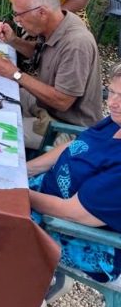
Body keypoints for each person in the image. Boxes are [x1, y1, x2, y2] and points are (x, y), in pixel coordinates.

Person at [26, 62, 121, 294]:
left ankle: (19, 302)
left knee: (2, 225)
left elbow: (73, 213)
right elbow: (76, 145)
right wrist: (25, 169)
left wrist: (20, 192)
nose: (113, 103)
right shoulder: (115, 122)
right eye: (113, 93)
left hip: (83, 236)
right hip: (49, 194)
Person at [0, 0, 102, 149]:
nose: (17, 20)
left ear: (42, 13)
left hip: (67, 127)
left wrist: (15, 74)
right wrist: (13, 40)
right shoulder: (58, 21)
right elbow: (42, 52)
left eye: (19, 15)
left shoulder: (76, 44)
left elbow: (62, 101)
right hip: (46, 106)